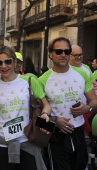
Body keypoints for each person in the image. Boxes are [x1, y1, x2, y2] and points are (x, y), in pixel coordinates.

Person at [0, 46, 51, 170]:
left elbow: (46, 105)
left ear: (14, 62)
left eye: (7, 61)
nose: (4, 66)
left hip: (27, 140)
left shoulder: (29, 81)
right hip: (1, 141)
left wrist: (45, 114)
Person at [38, 37, 97, 170]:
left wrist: (87, 108)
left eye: (67, 51)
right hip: (55, 135)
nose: (63, 54)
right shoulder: (42, 80)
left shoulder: (82, 74)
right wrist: (55, 121)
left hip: (78, 132)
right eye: (59, 51)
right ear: (50, 54)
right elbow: (36, 118)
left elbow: (95, 101)